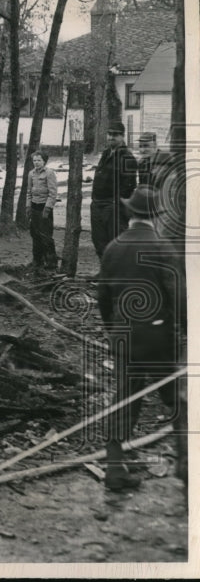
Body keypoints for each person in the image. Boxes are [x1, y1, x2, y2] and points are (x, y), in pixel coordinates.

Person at [96, 185, 187, 491]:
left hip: (125, 337)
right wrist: (185, 333)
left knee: (123, 400)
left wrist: (115, 330)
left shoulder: (113, 248)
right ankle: (187, 465)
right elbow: (179, 298)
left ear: (130, 213)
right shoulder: (163, 248)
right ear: (154, 217)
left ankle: (114, 470)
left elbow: (103, 299)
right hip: (160, 336)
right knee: (175, 400)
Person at [90, 122, 138, 260]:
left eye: (115, 135)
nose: (111, 137)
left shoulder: (127, 157)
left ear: (122, 136)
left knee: (116, 243)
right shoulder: (106, 153)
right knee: (99, 241)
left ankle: (119, 277)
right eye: (109, 134)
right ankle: (105, 274)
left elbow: (129, 185)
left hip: (113, 207)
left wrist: (115, 203)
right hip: (98, 204)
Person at [26, 149, 58, 274]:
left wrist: (48, 208)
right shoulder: (31, 174)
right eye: (34, 160)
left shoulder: (49, 173)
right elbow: (29, 192)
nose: (36, 162)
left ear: (44, 161)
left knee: (46, 236)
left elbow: (53, 193)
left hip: (44, 208)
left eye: (39, 160)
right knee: (35, 234)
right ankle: (37, 261)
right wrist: (28, 207)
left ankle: (51, 263)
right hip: (34, 207)